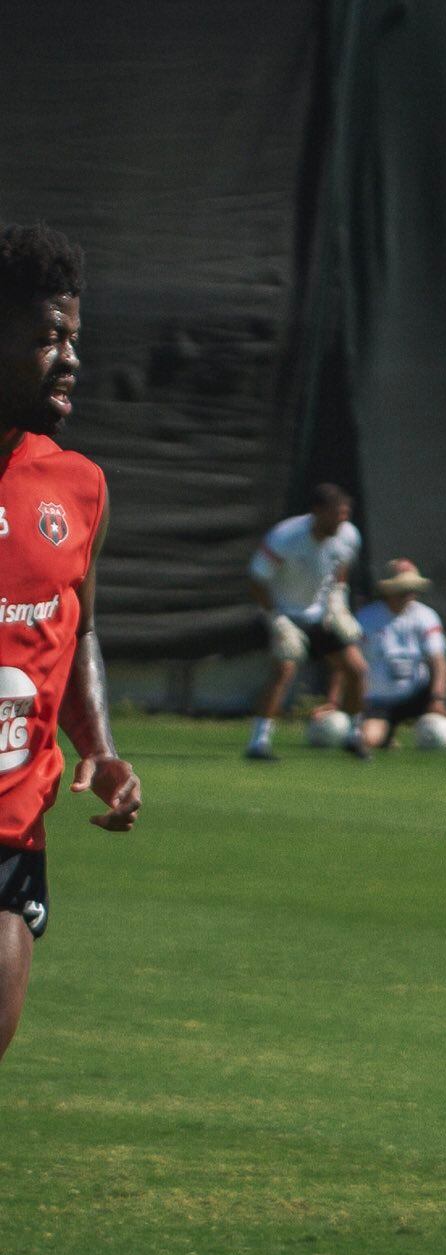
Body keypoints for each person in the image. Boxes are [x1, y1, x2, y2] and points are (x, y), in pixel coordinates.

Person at [0, 224, 142, 1065]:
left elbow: (80, 626)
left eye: (74, 339)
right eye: (47, 338)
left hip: (11, 832)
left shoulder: (79, 486)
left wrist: (103, 747)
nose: (69, 359)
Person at [245, 482, 368, 760]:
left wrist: (338, 600)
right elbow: (257, 580)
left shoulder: (348, 535)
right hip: (284, 613)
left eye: (345, 513)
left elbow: (341, 567)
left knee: (357, 669)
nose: (342, 519)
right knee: (284, 671)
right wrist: (277, 620)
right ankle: (258, 742)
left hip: (319, 614)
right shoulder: (286, 537)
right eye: (336, 513)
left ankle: (354, 736)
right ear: (317, 511)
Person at [352, 558, 446, 749]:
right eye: (402, 588)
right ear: (388, 589)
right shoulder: (365, 618)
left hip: (417, 693)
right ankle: (381, 735)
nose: (407, 594)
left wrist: (438, 698)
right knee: (369, 739)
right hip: (379, 701)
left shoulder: (426, 616)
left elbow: (438, 662)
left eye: (411, 588)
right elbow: (352, 664)